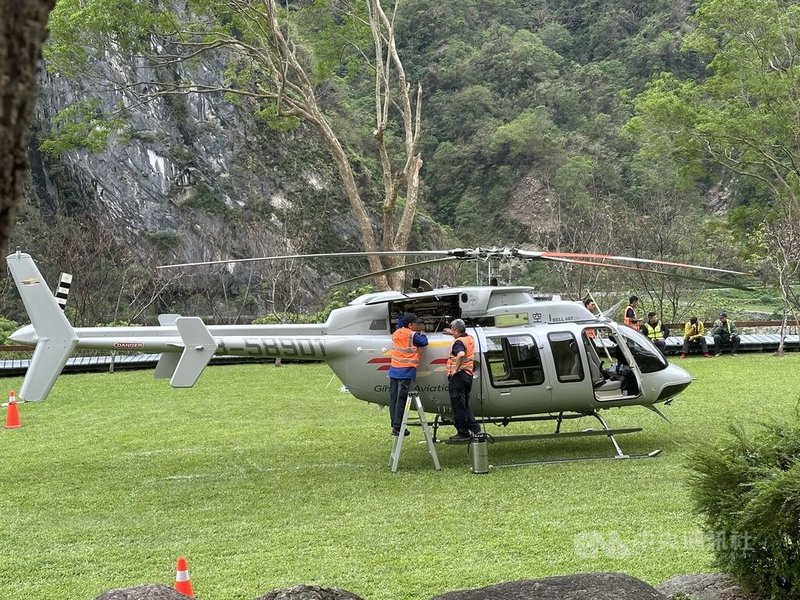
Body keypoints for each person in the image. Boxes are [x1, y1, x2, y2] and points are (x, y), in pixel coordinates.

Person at [388, 312, 428, 436]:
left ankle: (394, 425)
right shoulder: (412, 335)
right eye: (416, 324)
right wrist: (423, 333)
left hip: (394, 370)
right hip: (405, 371)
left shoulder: (396, 333)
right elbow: (424, 342)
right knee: (401, 400)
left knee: (393, 399)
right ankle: (398, 427)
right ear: (410, 324)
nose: (418, 325)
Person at [445, 319, 480, 443]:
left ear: (457, 331)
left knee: (458, 406)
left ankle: (463, 433)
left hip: (458, 377)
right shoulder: (469, 338)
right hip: (467, 375)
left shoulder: (458, 343)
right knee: (464, 404)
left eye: (453, 330)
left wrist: (455, 369)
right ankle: (475, 429)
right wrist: (450, 332)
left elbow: (460, 354)